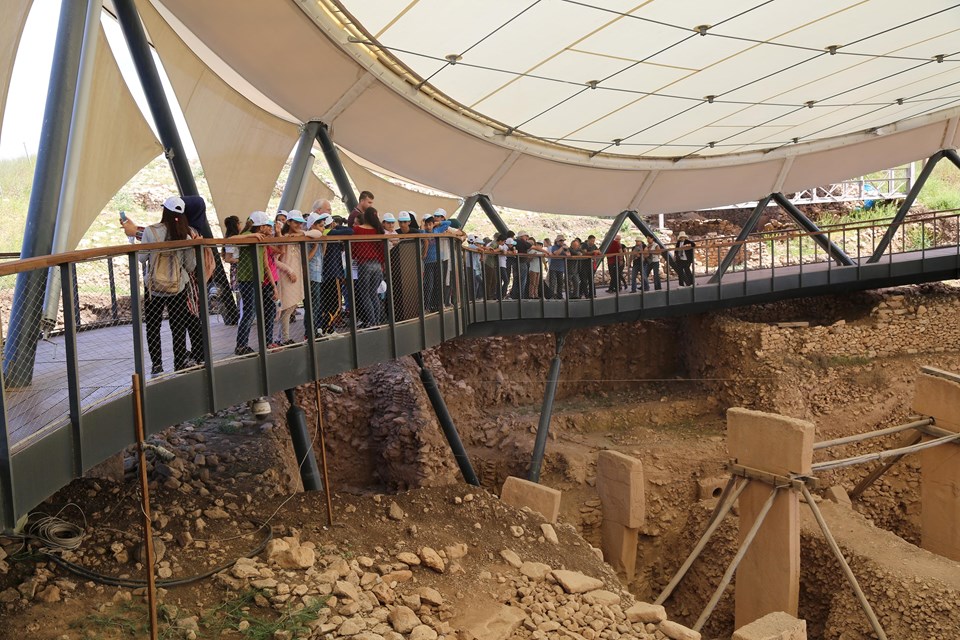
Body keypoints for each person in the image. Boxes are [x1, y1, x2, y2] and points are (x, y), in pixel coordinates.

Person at [139, 197, 197, 375]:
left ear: (164, 210)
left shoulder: (150, 231)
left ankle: (157, 365)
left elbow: (141, 258)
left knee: (153, 326)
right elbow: (190, 266)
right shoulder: (185, 235)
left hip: (154, 288)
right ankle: (179, 362)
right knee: (178, 325)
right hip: (177, 287)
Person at [234, 211, 278, 355]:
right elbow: (232, 239)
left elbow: (266, 264)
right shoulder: (249, 236)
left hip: (257, 280)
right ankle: (241, 345)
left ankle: (261, 342)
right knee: (249, 311)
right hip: (247, 279)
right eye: (267, 226)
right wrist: (251, 235)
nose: (269, 228)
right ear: (260, 227)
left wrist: (273, 286)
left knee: (258, 311)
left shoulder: (262, 240)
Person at [276, 211, 307, 345]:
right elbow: (275, 260)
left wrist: (300, 233)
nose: (298, 224)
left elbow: (317, 233)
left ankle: (281, 338)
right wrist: (289, 270)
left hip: (296, 275)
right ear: (288, 222)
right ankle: (284, 338)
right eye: (295, 222)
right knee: (286, 308)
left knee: (291, 307)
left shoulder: (298, 236)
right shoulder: (281, 237)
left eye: (300, 222)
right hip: (286, 275)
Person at [319, 214, 353, 332]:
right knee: (336, 305)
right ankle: (325, 328)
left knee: (326, 304)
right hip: (333, 273)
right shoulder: (330, 233)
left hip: (324, 273)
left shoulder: (323, 232)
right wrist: (336, 227)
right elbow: (350, 231)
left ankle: (328, 329)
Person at [352, 207, 385, 328]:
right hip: (377, 264)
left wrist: (354, 255)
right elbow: (382, 249)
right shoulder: (378, 230)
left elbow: (353, 247)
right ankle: (377, 321)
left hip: (364, 264)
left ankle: (372, 322)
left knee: (365, 295)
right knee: (373, 294)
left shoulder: (357, 230)